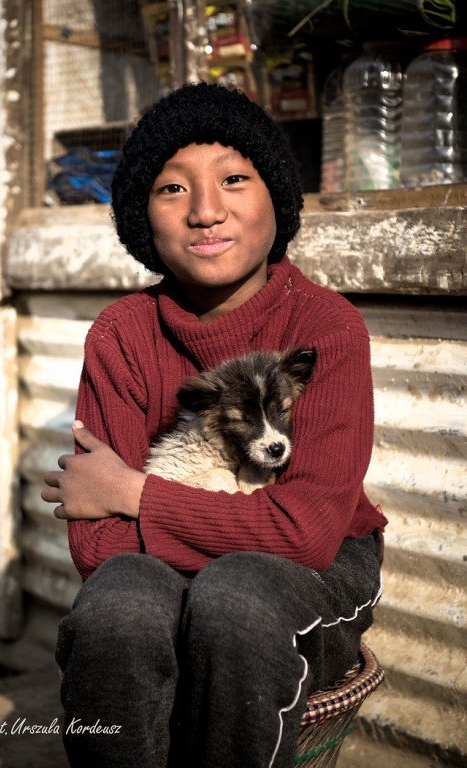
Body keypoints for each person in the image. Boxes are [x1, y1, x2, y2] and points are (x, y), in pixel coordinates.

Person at [42, 81, 387, 768]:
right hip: (190, 554)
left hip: (320, 570)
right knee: (117, 611)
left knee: (234, 602)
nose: (206, 211)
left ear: (276, 200)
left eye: (234, 178)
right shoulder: (120, 335)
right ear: (142, 217)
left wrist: (136, 494)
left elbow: (309, 535)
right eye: (172, 190)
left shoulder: (326, 329)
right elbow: (97, 546)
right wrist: (210, 530)